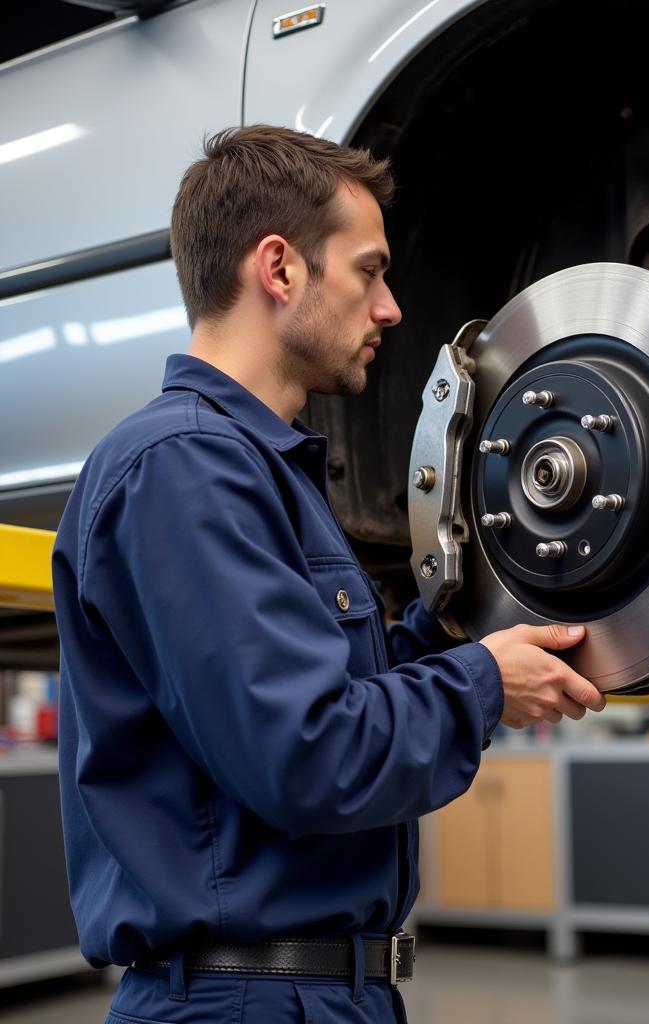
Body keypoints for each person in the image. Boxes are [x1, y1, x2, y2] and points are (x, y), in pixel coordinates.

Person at [51, 124, 606, 1024]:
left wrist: (459, 621)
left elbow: (340, 695)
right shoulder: (182, 469)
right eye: (369, 270)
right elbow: (308, 755)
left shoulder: (254, 469)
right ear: (279, 269)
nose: (390, 306)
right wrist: (483, 683)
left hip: (309, 993)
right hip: (245, 1001)